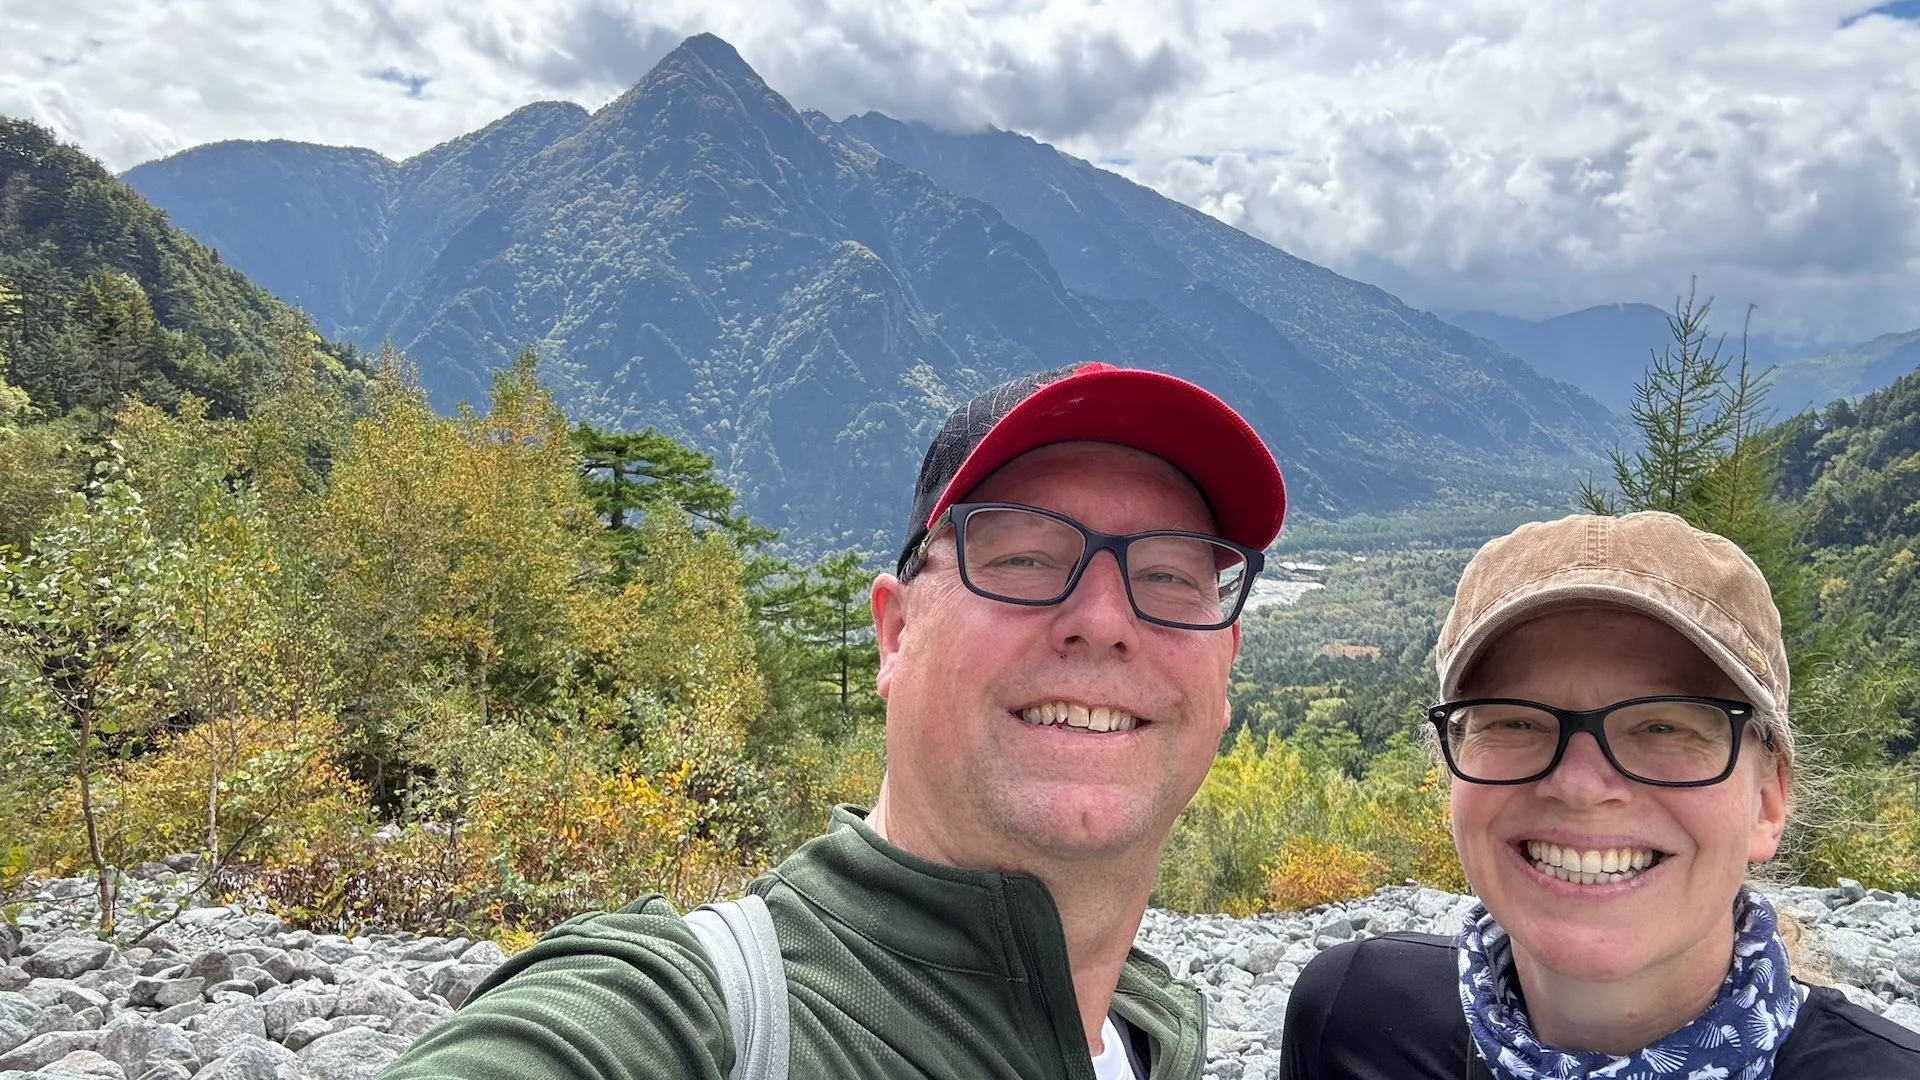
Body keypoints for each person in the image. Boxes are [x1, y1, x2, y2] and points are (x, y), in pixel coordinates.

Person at [380, 361, 1287, 1080]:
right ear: (896, 634)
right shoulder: (690, 1022)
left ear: (1225, 672)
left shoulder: (1153, 1031)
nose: (1104, 619)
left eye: (1170, 575)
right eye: (1023, 556)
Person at [1279, 511, 1920, 1079]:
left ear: (1767, 802)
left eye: (1663, 727)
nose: (1580, 785)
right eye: (1517, 722)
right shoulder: (1350, 1021)